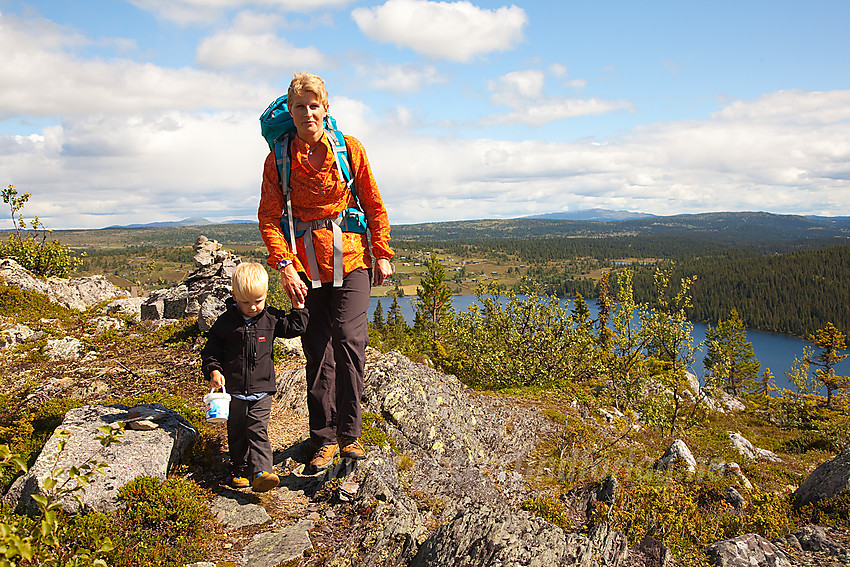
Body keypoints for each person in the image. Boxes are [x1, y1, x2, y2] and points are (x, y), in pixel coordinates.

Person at [258, 72, 393, 471]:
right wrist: (284, 266)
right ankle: (324, 438)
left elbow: (373, 202)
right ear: (291, 111)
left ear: (325, 108)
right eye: (299, 106)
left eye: (314, 105)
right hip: (304, 266)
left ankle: (350, 436)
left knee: (350, 342)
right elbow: (269, 217)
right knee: (316, 350)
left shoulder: (348, 148)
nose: (307, 113)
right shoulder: (280, 157)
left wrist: (382, 253)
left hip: (352, 259)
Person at [202, 262, 309, 491]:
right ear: (234, 296)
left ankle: (262, 471)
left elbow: (294, 328)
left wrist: (298, 307)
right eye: (245, 302)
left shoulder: (269, 317)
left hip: (262, 389)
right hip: (234, 391)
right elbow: (211, 352)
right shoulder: (225, 323)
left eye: (258, 301)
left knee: (257, 428)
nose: (252, 308)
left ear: (266, 295)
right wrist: (214, 370)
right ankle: (240, 468)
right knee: (237, 430)